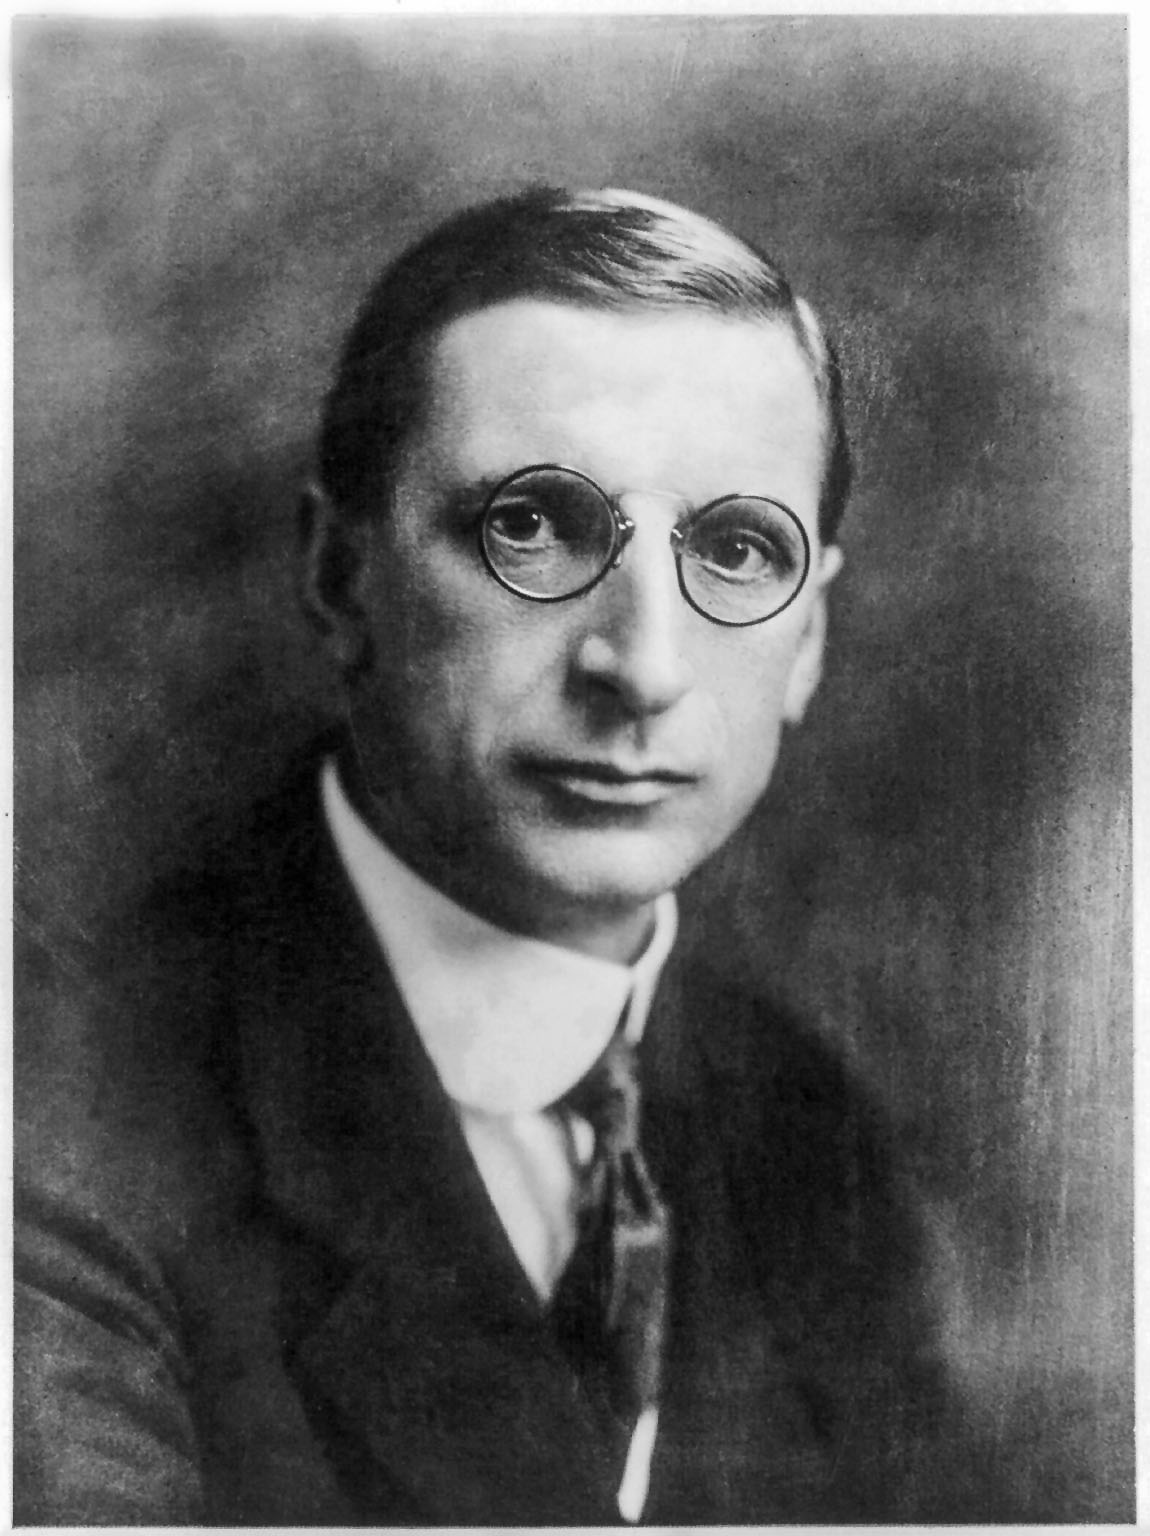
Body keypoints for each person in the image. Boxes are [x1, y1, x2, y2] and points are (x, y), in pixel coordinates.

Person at [15, 187, 998, 1524]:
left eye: (734, 548)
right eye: (530, 525)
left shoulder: (804, 1128)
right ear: (339, 575)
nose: (643, 667)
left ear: (808, 640)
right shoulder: (64, 1122)